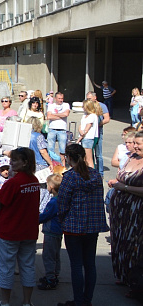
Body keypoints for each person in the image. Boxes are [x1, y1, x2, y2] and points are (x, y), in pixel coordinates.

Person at [57, 144, 109, 306]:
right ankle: (87, 300)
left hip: (74, 227)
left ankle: (79, 301)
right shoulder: (95, 175)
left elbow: (62, 203)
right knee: (89, 264)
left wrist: (62, 218)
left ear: (68, 157)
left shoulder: (70, 177)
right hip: (92, 228)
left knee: (77, 266)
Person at [0, 147, 40, 306]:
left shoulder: (13, 183)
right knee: (27, 266)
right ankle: (27, 301)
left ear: (25, 162)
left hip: (10, 230)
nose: (11, 163)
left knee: (6, 267)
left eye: (15, 160)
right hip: (29, 230)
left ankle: (5, 300)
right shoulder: (34, 180)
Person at [109, 130, 143, 298]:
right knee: (120, 241)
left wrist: (125, 188)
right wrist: (116, 182)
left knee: (134, 245)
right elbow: (121, 177)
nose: (134, 146)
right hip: (120, 212)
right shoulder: (131, 157)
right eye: (134, 143)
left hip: (137, 213)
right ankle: (123, 275)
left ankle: (135, 282)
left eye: (138, 144)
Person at [37, 173, 63, 290]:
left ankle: (50, 278)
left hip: (51, 231)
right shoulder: (61, 199)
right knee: (56, 254)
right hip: (58, 231)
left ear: (51, 186)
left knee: (48, 255)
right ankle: (55, 274)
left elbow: (46, 215)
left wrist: (35, 220)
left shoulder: (53, 202)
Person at [86, 91, 110, 177]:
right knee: (89, 153)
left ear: (95, 97)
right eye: (87, 98)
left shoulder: (102, 106)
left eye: (89, 98)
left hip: (98, 132)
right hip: (89, 134)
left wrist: (97, 124)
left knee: (98, 154)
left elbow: (107, 119)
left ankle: (100, 173)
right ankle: (92, 170)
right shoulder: (88, 106)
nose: (88, 100)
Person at [47, 92, 70, 166]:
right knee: (50, 148)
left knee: (62, 150)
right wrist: (61, 116)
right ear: (55, 98)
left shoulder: (66, 105)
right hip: (52, 129)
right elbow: (48, 117)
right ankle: (51, 164)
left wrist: (54, 114)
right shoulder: (51, 105)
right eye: (59, 98)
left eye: (62, 98)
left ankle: (63, 165)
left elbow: (66, 114)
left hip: (62, 129)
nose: (61, 100)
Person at [28, 117, 54, 183]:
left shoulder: (25, 135)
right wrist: (50, 163)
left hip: (28, 164)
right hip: (39, 164)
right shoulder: (39, 136)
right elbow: (43, 151)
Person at [77, 99, 100, 169]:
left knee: (89, 159)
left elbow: (87, 129)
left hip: (88, 138)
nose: (82, 108)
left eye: (84, 106)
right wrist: (80, 130)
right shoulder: (84, 115)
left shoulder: (92, 116)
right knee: (84, 159)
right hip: (83, 137)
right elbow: (81, 125)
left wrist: (78, 140)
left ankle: (92, 173)